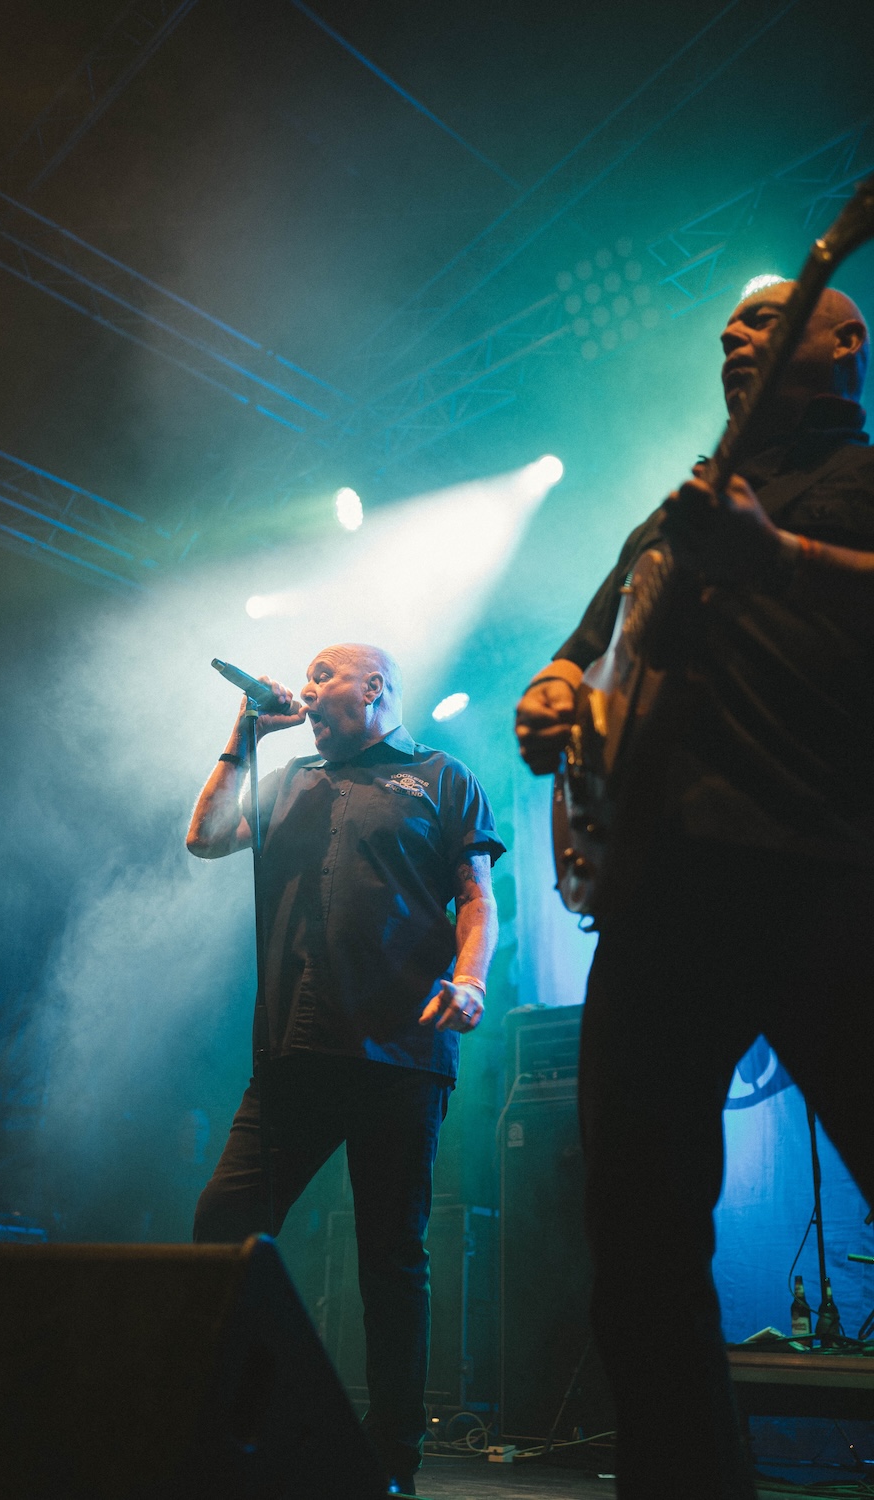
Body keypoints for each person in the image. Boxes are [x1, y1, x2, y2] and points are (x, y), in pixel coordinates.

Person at [515, 282, 874, 1498]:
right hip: (661, 896)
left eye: (767, 320)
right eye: (727, 327)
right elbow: (583, 651)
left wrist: (782, 558)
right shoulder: (672, 514)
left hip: (829, 871)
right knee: (637, 1245)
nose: (733, 334)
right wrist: (552, 690)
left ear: (845, 343)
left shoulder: (861, 478)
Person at [187, 642, 504, 1496]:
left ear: (374, 688)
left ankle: (391, 1457)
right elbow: (205, 838)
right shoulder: (291, 778)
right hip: (294, 1048)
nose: (308, 689)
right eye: (307, 679)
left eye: (324, 676)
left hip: (402, 1051)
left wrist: (472, 982)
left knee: (390, 1261)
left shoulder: (441, 778)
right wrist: (245, 735)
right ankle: (236, 1422)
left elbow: (477, 897)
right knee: (225, 1227)